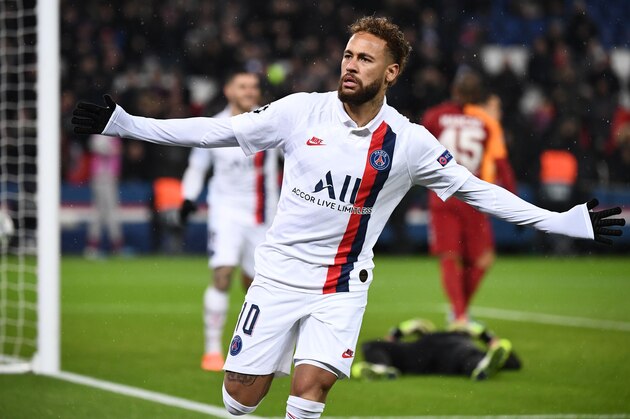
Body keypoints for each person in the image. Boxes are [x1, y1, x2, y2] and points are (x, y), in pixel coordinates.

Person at [72, 16, 624, 418]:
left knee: (309, 391)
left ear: (392, 71)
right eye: (347, 55)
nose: (350, 65)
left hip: (341, 284)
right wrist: (124, 123)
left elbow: (478, 191)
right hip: (278, 274)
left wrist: (563, 220)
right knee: (241, 395)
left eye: (365, 59)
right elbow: (213, 132)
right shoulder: (299, 111)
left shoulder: (408, 142)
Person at [179, 72, 279, 371]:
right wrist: (188, 197)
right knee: (222, 274)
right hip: (226, 212)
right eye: (243, 86)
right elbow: (197, 167)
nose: (250, 91)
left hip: (263, 216)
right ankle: (212, 349)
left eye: (253, 87)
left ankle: (259, 347)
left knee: (257, 286)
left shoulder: (271, 121)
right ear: (228, 90)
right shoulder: (215, 126)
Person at [421, 73, 517, 336]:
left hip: (442, 192)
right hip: (472, 192)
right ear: (478, 95)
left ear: (453, 89)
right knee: (482, 258)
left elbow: (417, 149)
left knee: (450, 257)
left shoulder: (434, 116)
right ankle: (460, 313)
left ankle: (459, 313)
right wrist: (512, 197)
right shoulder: (485, 123)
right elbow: (500, 163)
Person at [352, 318, 520, 381]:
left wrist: (488, 338)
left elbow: (514, 363)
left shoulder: (462, 340)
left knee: (467, 355)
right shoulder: (461, 340)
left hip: (422, 358)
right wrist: (401, 331)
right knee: (372, 344)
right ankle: (381, 368)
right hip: (424, 351)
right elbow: (390, 341)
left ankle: (481, 368)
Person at [84, 134, 124, 258]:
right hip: (101, 176)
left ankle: (105, 246)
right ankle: (94, 247)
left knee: (107, 211)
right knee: (102, 212)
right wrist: (113, 149)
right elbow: (97, 146)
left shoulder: (113, 131)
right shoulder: (99, 133)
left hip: (110, 176)